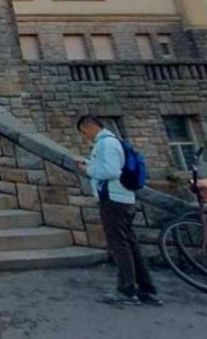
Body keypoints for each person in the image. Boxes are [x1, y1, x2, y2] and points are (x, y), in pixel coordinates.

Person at [76, 115, 162, 306]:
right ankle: (146, 289)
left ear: (90, 127)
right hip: (124, 198)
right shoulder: (115, 142)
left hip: (113, 200)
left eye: (84, 132)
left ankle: (126, 290)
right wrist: (91, 165)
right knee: (130, 245)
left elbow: (111, 171)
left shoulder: (105, 144)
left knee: (119, 246)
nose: (85, 137)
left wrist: (87, 170)